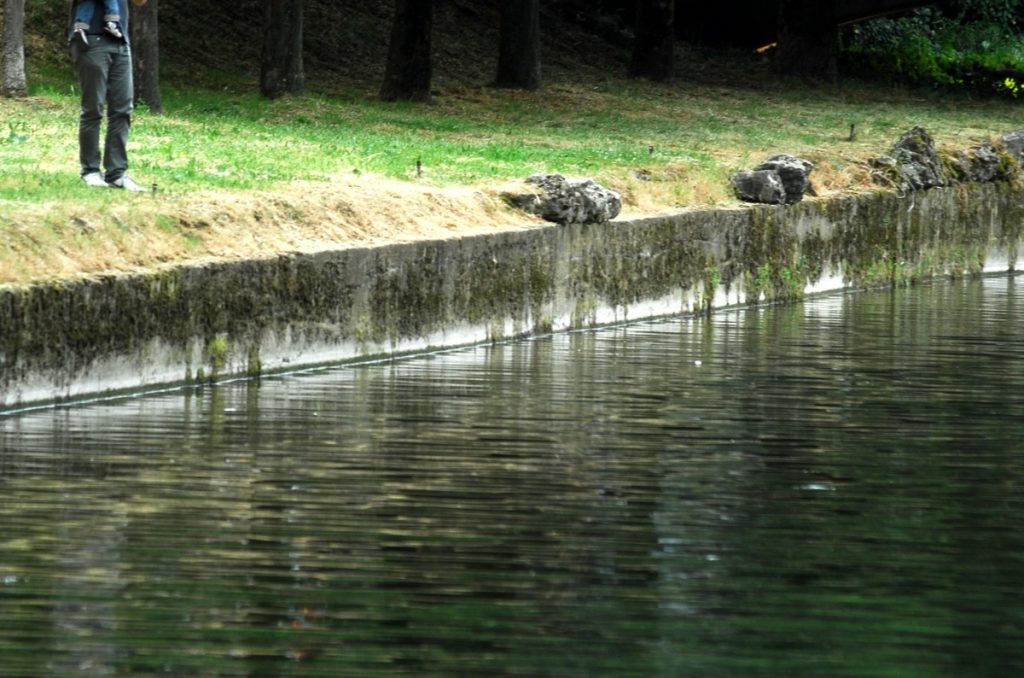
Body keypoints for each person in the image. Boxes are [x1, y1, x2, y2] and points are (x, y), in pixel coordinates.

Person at [68, 0, 146, 191]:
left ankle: (116, 173)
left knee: (123, 110)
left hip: (120, 42)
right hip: (90, 39)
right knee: (93, 109)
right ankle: (90, 171)